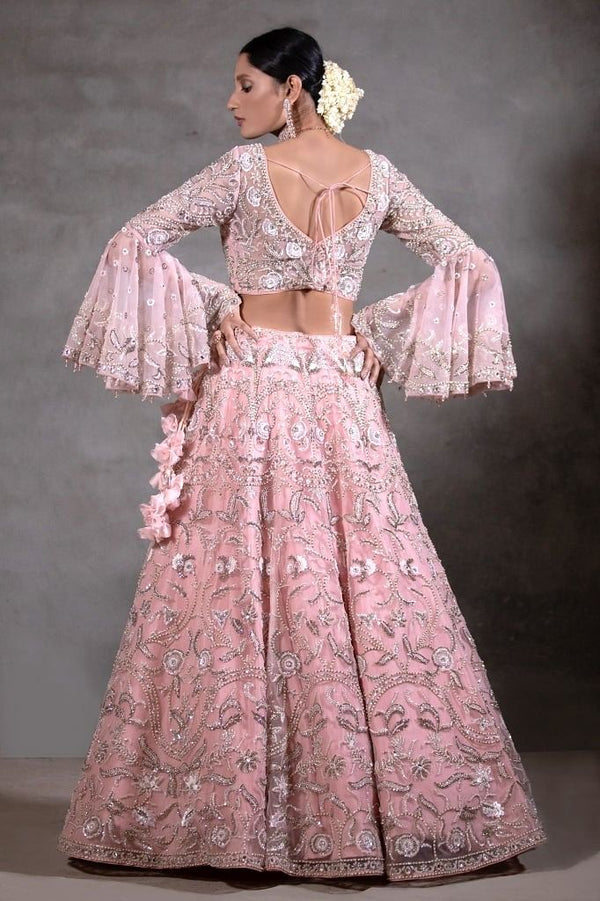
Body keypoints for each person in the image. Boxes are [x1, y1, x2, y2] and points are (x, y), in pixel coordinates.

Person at [57, 26, 547, 885]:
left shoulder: (242, 172)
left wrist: (219, 307)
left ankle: (234, 827)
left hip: (252, 392)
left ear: (292, 88)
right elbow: (468, 262)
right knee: (362, 581)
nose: (231, 101)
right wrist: (372, 330)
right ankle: (363, 823)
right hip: (338, 393)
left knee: (237, 588)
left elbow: (135, 239)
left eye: (245, 84)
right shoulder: (379, 174)